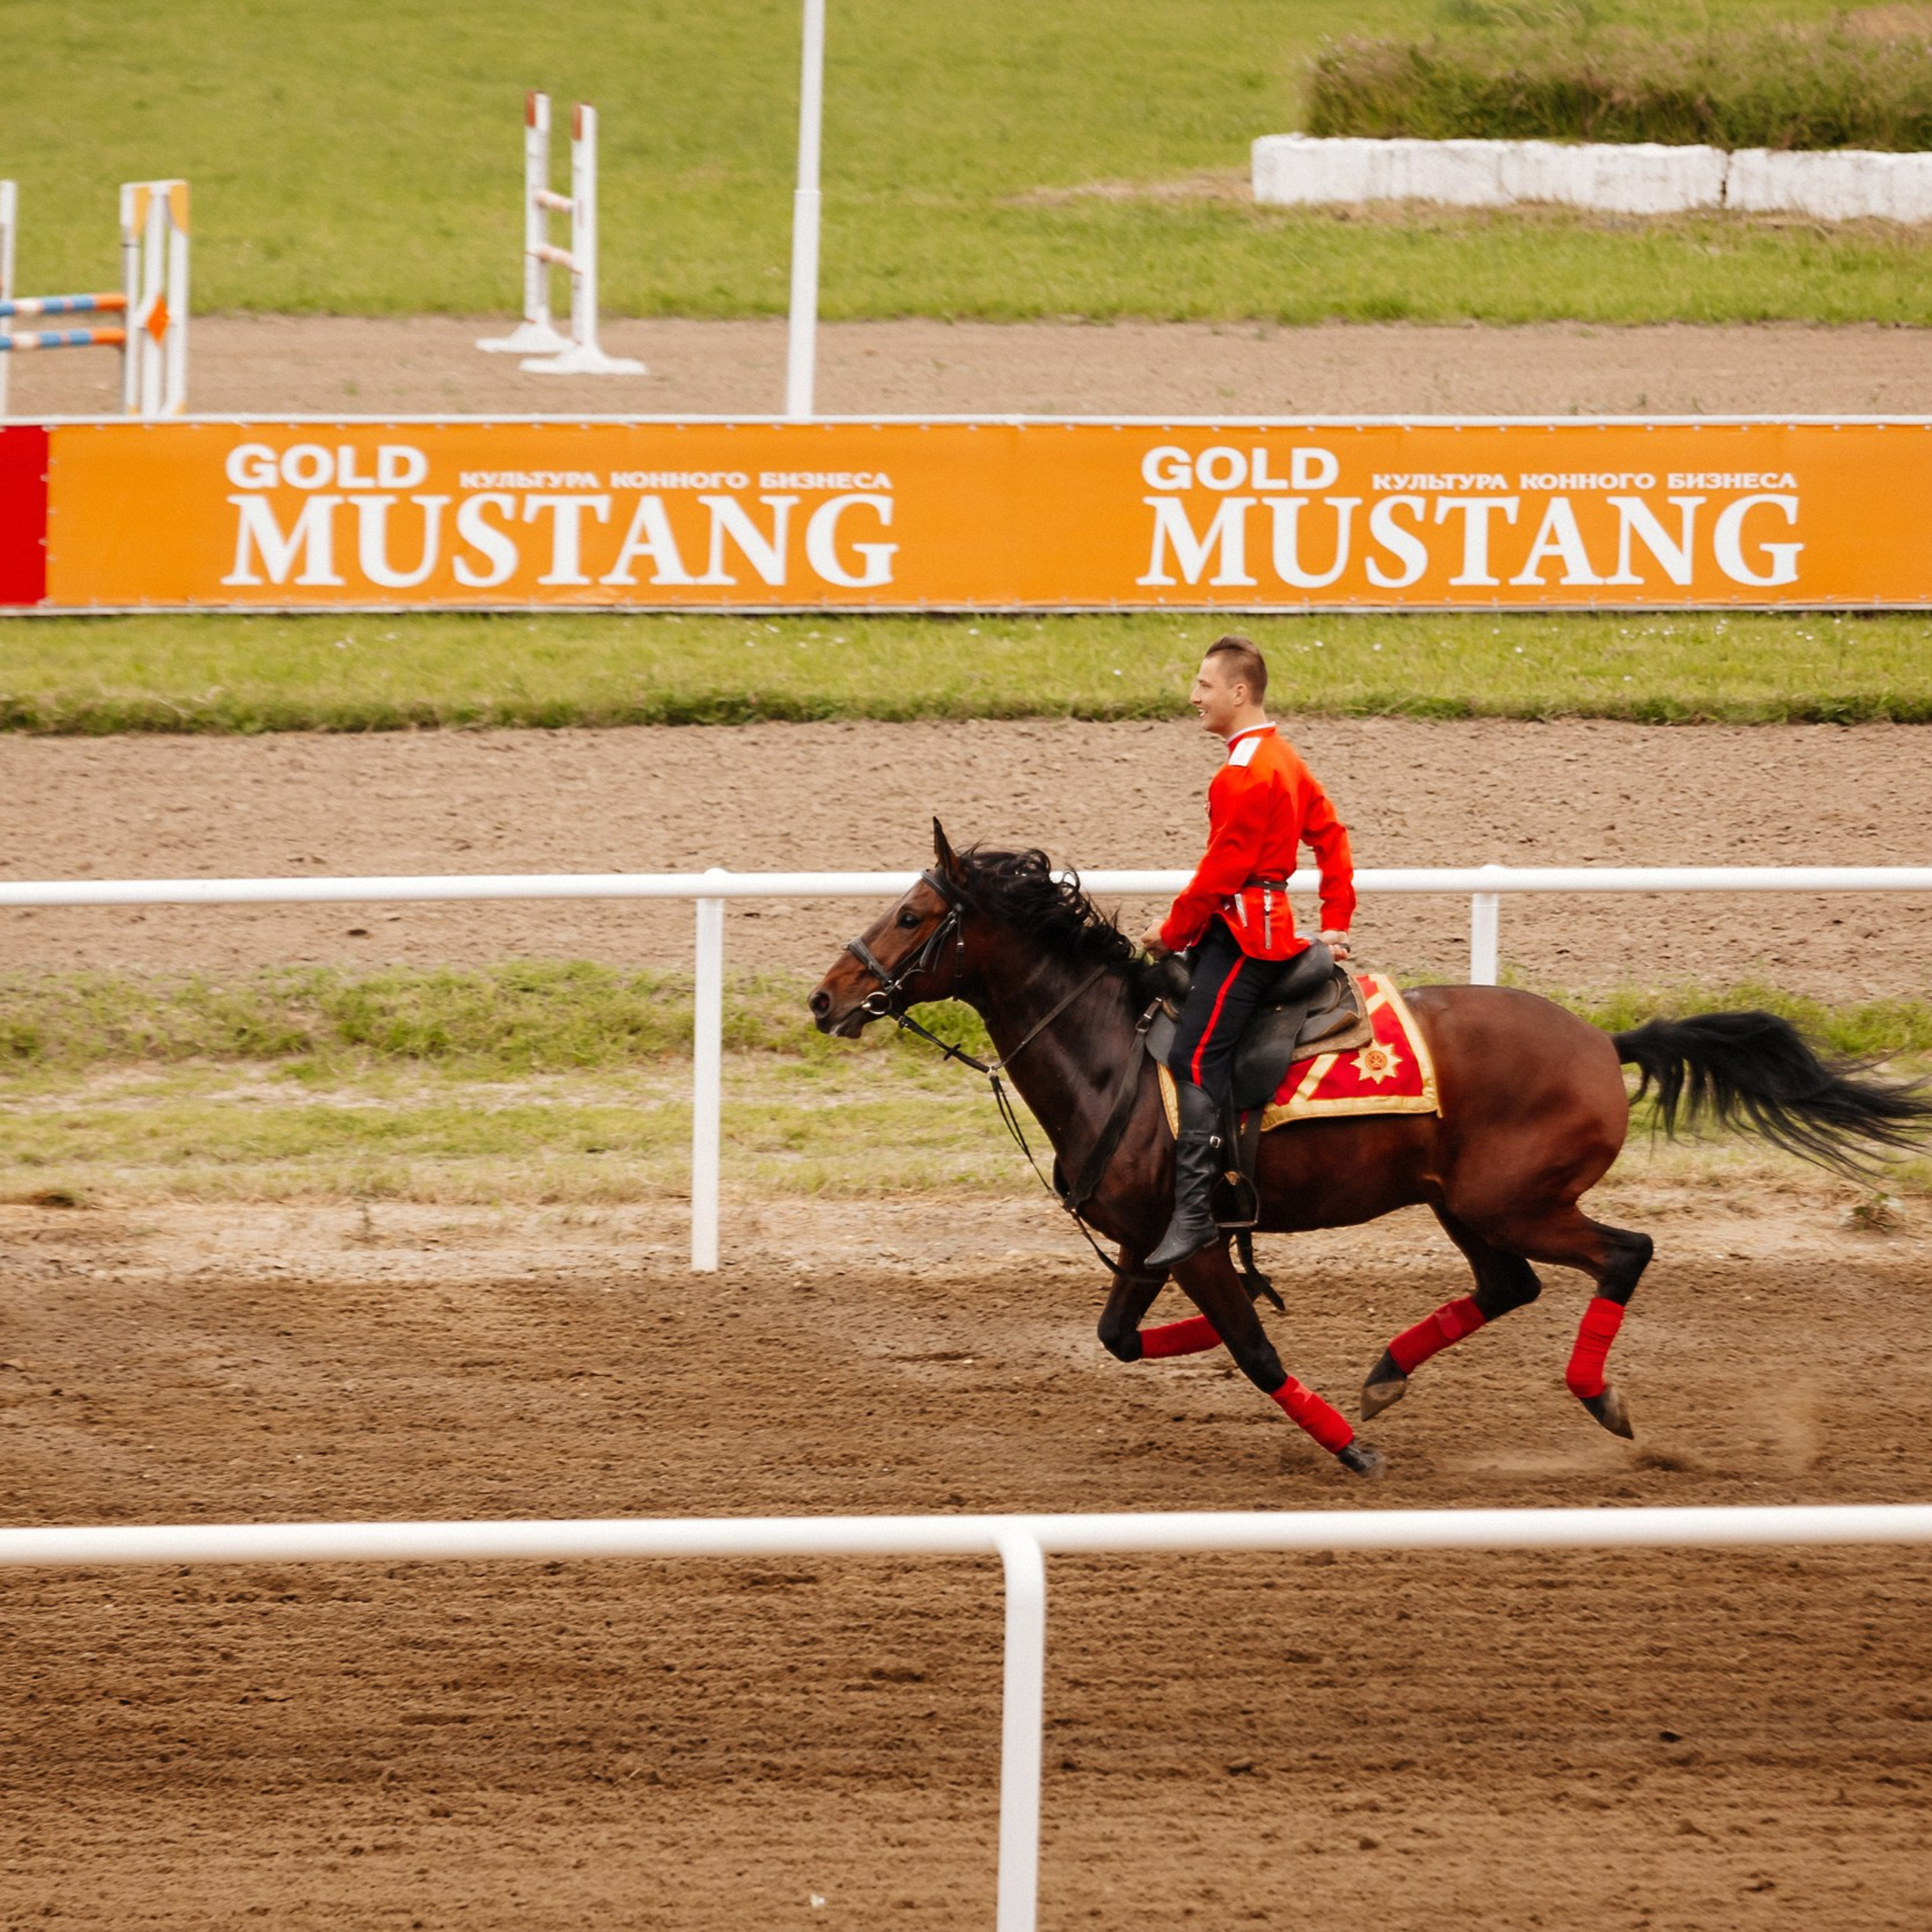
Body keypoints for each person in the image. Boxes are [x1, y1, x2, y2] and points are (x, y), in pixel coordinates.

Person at [1138, 634, 1356, 1269]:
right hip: (1254, 926)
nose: (1193, 697)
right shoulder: (1283, 757)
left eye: (1203, 686)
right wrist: (1336, 918)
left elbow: (1219, 875)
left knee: (1196, 1055)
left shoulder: (1241, 773)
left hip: (1246, 939)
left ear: (1239, 692)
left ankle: (1196, 1214)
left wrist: (1170, 931)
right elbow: (1331, 836)